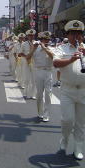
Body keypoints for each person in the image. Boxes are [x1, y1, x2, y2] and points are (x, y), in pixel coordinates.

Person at [53, 20, 85, 160]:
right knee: (68, 119)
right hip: (67, 90)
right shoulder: (62, 48)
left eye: (78, 33)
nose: (76, 37)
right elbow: (55, 63)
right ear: (67, 35)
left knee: (80, 122)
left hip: (83, 90)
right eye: (73, 33)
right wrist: (71, 60)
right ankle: (65, 139)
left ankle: (78, 147)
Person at [30, 31, 54, 122]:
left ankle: (46, 114)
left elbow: (53, 57)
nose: (46, 41)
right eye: (44, 39)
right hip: (39, 71)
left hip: (48, 72)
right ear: (41, 40)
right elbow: (28, 57)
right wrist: (33, 49)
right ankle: (40, 112)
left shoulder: (52, 48)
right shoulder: (36, 48)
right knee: (39, 94)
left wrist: (45, 48)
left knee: (48, 94)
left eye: (48, 39)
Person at [19, 29, 37, 99]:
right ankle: (26, 93)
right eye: (30, 35)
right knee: (27, 78)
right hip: (26, 62)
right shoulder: (24, 44)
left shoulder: (36, 43)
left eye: (32, 35)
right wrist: (26, 56)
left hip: (35, 62)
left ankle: (33, 94)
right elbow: (20, 53)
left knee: (34, 79)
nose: (31, 37)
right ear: (27, 36)